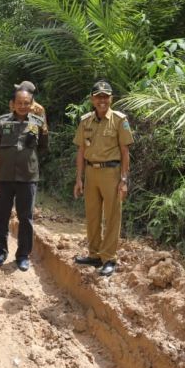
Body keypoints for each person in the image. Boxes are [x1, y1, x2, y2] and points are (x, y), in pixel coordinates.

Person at [73, 81, 134, 277]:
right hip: (91, 173)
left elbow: (125, 152)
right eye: (98, 96)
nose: (102, 100)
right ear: (92, 99)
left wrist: (124, 180)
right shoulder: (86, 121)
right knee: (92, 215)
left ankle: (109, 258)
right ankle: (94, 254)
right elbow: (81, 150)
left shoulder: (119, 120)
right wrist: (79, 179)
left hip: (112, 173)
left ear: (111, 99)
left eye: (106, 96)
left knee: (112, 216)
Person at [0, 88, 48, 271]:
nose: (23, 106)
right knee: (1, 216)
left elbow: (43, 148)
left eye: (26, 103)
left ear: (32, 105)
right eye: (19, 103)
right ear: (13, 104)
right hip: (4, 177)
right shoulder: (1, 122)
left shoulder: (38, 123)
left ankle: (23, 255)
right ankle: (1, 251)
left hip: (28, 177)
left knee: (26, 218)